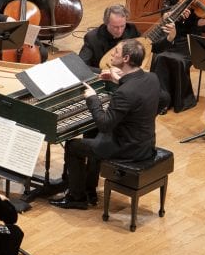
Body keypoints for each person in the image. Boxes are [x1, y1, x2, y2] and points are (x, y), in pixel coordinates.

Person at [51, 38, 160, 210]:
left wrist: (93, 98)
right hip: (145, 143)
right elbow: (136, 98)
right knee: (94, 135)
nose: (112, 54)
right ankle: (89, 189)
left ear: (126, 59)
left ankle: (76, 197)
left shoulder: (125, 92)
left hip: (127, 149)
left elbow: (104, 124)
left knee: (73, 145)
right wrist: (118, 81)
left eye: (116, 51)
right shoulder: (152, 78)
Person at [150, 0, 205, 113]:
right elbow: (165, 16)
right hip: (172, 35)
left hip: (189, 39)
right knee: (160, 57)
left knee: (177, 60)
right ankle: (162, 100)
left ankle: (179, 99)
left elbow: (199, 24)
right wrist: (176, 12)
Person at [78, 4, 141, 71]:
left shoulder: (131, 29)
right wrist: (105, 71)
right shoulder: (92, 38)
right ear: (106, 23)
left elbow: (141, 49)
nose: (120, 31)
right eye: (115, 27)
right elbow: (80, 65)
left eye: (122, 26)